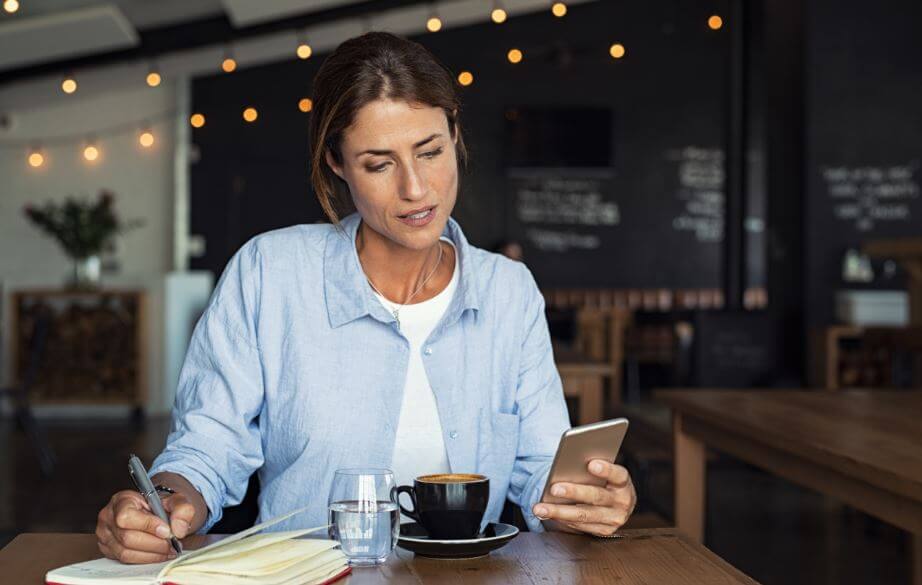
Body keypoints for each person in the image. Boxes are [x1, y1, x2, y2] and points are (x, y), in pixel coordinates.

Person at [95, 32, 636, 564]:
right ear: (336, 162)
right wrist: (163, 504)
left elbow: (544, 465)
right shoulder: (269, 272)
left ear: (454, 132)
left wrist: (587, 502)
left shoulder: (508, 291)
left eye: (430, 152)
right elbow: (206, 448)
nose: (416, 189)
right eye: (379, 164)